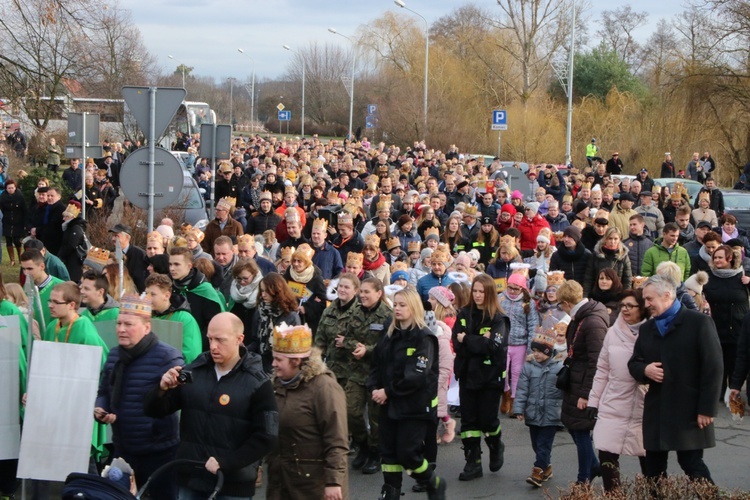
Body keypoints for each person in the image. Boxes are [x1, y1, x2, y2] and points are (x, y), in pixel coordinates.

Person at [144, 312, 279, 500]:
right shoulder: (194, 372)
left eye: (220, 340)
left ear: (239, 339)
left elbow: (267, 437)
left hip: (233, 485)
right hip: (191, 479)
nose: (213, 346)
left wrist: (227, 463)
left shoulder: (257, 383)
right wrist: (161, 389)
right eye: (210, 339)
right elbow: (154, 411)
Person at [628, 275, 723, 483]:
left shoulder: (699, 323)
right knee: (653, 470)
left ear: (667, 295)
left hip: (688, 409)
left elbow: (713, 368)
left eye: (650, 299)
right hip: (657, 410)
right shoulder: (647, 329)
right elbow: (633, 363)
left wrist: (707, 408)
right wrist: (645, 370)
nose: (646, 304)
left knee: (692, 465)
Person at [95, 294, 184, 499]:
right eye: (118, 323)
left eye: (128, 324)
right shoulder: (114, 355)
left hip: (159, 451)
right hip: (123, 447)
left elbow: (178, 399)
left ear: (146, 327)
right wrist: (101, 409)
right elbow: (104, 391)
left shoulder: (167, 357)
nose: (121, 329)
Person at [367, 287, 446, 500]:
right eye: (395, 304)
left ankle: (432, 481)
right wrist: (373, 387)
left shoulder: (424, 338)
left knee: (407, 453)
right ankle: (390, 492)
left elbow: (416, 376)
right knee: (389, 453)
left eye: (402, 305)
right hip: (389, 405)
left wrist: (388, 391)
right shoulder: (389, 335)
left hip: (414, 406)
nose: (397, 309)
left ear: (414, 307)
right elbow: (376, 364)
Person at [266, 324, 349, 500]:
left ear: (296, 361)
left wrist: (334, 482)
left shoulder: (324, 388)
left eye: (279, 360)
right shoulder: (276, 386)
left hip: (313, 487)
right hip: (281, 483)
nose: (274, 364)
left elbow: (336, 439)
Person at [587, 290, 648, 492]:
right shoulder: (613, 332)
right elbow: (602, 369)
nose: (625, 309)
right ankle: (613, 495)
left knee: (649, 458)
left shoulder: (653, 332)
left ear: (642, 308)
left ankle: (656, 492)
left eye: (631, 305)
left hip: (644, 404)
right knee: (606, 453)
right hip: (614, 401)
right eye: (623, 305)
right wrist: (593, 401)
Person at [453, 274, 510, 481]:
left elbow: (493, 346)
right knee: (468, 423)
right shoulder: (464, 314)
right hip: (467, 375)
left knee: (487, 420)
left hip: (489, 377)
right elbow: (456, 343)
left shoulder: (498, 318)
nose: (477, 295)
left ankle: (496, 445)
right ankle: (473, 462)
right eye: (475, 291)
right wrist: (477, 341)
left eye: (481, 292)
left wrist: (468, 338)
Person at [557, 280, 609, 484]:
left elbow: (596, 361)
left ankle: (584, 478)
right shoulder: (583, 318)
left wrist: (586, 394)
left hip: (583, 384)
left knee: (580, 431)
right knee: (575, 428)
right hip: (577, 380)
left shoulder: (591, 322)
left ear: (567, 303)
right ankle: (592, 467)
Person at [340, 277, 391, 477]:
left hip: (378, 373)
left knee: (376, 417)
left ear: (379, 293)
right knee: (350, 410)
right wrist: (356, 347)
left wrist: (367, 350)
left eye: (366, 292)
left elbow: (388, 345)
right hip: (356, 371)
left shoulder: (387, 315)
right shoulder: (355, 312)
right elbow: (346, 338)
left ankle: (375, 452)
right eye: (361, 292)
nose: (362, 295)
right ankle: (362, 444)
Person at [512, 333, 564, 487]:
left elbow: (565, 391)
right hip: (533, 412)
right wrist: (519, 410)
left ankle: (537, 472)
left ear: (548, 352)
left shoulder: (559, 367)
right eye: (534, 351)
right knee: (536, 444)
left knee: (544, 444)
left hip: (551, 414)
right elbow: (522, 390)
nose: (536, 354)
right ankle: (546, 468)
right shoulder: (528, 367)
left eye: (540, 352)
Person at [701, 245, 750, 397]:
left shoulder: (741, 276)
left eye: (720, 257)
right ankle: (719, 392)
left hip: (738, 327)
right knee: (718, 362)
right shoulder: (708, 276)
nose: (717, 260)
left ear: (730, 258)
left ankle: (734, 389)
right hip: (716, 327)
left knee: (736, 361)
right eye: (715, 257)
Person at [168, 246, 226, 349]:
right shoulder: (168, 287)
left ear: (189, 266)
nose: (172, 268)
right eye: (170, 264)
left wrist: (195, 343)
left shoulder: (205, 290)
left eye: (177, 264)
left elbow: (213, 324)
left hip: (199, 348)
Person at [498, 272, 538, 415]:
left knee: (517, 373)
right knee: (503, 371)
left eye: (516, 289)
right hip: (503, 343)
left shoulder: (528, 303)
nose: (513, 292)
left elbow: (533, 324)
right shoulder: (500, 298)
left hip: (520, 343)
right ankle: (505, 394)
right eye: (510, 288)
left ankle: (515, 400)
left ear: (522, 289)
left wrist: (530, 348)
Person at [248, 273, 301, 374]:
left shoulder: (291, 317)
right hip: (261, 367)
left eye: (267, 291)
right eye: (262, 291)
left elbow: (294, 350)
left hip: (282, 369)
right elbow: (255, 341)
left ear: (277, 291)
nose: (263, 295)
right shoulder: (260, 312)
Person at [145, 273, 202, 364]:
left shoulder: (185, 319)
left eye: (152, 294)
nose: (147, 298)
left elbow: (191, 354)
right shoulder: (145, 317)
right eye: (146, 293)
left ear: (167, 295)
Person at [20, 248, 65, 331]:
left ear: (42, 266)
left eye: (30, 269)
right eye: (23, 269)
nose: (26, 273)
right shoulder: (26, 287)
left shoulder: (61, 286)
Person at [583, 227, 632, 296]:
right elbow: (588, 278)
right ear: (605, 239)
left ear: (619, 240)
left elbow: (627, 280)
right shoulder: (595, 256)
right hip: (597, 295)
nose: (612, 242)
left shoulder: (623, 257)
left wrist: (625, 297)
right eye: (610, 238)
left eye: (615, 239)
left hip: (616, 296)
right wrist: (585, 296)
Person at [109, 224, 149, 293]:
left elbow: (141, 279)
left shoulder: (139, 254)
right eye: (113, 236)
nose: (113, 239)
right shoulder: (111, 253)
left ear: (127, 237)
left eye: (116, 236)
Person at [0, 179, 26, 266]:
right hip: (7, 221)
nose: (10, 189)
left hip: (18, 221)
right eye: (8, 188)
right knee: (8, 240)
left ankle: (20, 257)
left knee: (17, 240)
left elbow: (24, 210)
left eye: (12, 188)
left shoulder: (20, 197)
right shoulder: (2, 197)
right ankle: (12, 260)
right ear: (6, 189)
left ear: (15, 188)